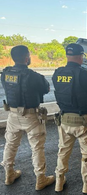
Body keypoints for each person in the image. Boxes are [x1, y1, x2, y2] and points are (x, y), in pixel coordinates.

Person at [0, 45, 55, 190]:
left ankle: (9, 174)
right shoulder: (33, 76)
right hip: (31, 116)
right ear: (26, 58)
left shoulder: (5, 73)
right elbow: (46, 88)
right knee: (37, 148)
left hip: (12, 115)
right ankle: (40, 179)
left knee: (10, 145)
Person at [52, 43, 87, 193]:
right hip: (84, 122)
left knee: (63, 151)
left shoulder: (57, 73)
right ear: (81, 57)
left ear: (67, 56)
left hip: (64, 120)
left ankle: (59, 182)